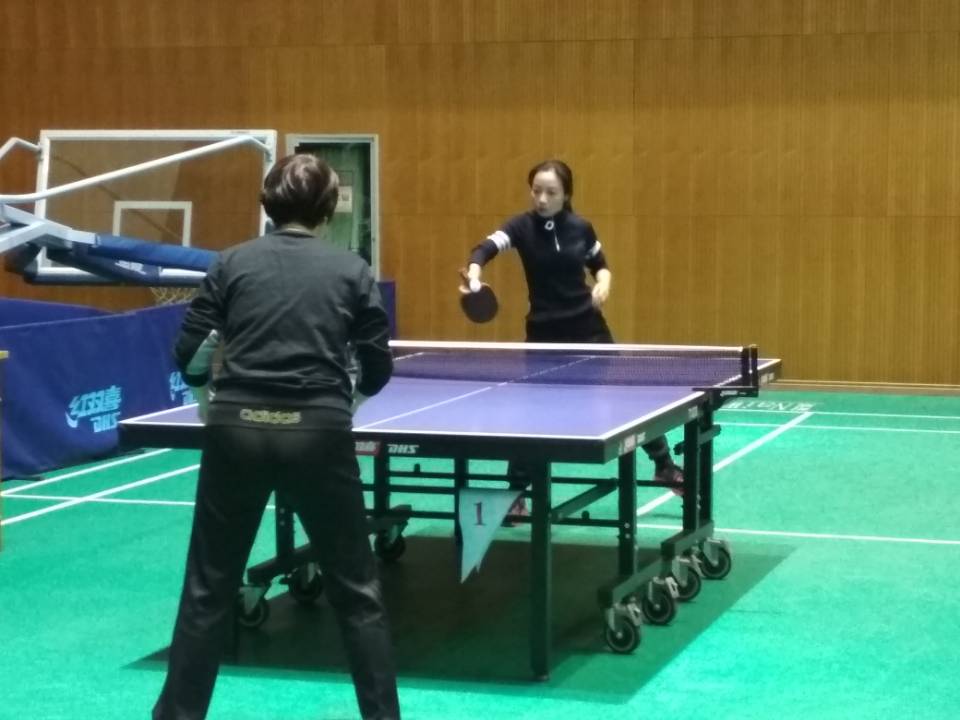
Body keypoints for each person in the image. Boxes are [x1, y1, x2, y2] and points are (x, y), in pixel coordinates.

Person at [153, 154, 401, 720]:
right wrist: (346, 406)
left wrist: (205, 398)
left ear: (268, 204)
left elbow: (188, 353)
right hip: (318, 433)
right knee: (358, 595)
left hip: (236, 431)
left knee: (207, 591)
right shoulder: (352, 270)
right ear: (327, 211)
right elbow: (378, 367)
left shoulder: (230, 262)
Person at [462, 159, 684, 520]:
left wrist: (604, 284)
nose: (542, 199)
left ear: (566, 194)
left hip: (589, 330)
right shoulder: (520, 227)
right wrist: (474, 275)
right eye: (536, 191)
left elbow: (601, 264)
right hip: (544, 336)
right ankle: (515, 493)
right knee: (532, 416)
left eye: (550, 192)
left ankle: (664, 466)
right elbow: (484, 248)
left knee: (630, 398)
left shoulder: (581, 228)